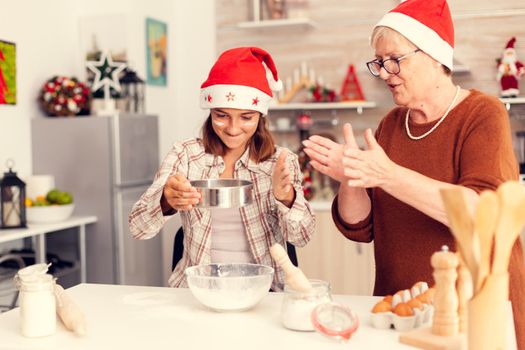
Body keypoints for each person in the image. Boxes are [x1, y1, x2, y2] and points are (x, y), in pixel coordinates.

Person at [302, 0, 524, 346]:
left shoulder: (482, 113)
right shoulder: (390, 125)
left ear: (434, 56)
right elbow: (362, 228)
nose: (385, 72)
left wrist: (387, 174)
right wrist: (351, 178)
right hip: (400, 311)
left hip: (472, 313)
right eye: (378, 62)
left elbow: (483, 211)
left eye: (394, 60)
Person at [129, 47, 315, 292]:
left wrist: (287, 198)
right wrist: (166, 199)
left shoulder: (280, 160)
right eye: (222, 115)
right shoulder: (185, 154)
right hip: (198, 291)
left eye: (246, 117)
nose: (233, 128)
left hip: (264, 292)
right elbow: (138, 227)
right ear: (210, 111)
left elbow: (302, 236)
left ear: (261, 116)